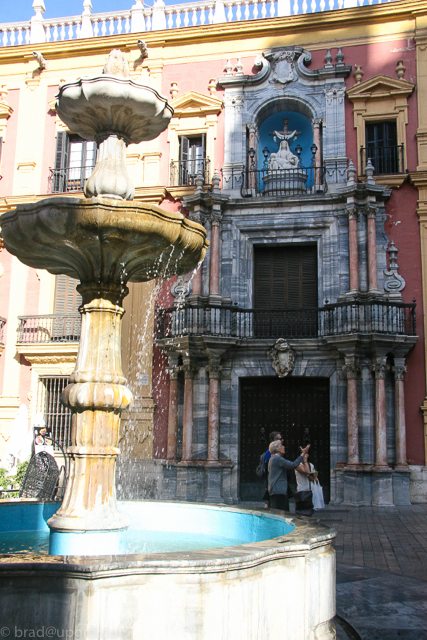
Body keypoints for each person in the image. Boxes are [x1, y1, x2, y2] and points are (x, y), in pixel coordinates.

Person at [268, 440, 310, 511]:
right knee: (281, 513)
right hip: (278, 491)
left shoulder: (274, 458)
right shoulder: (277, 459)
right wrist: (302, 454)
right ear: (276, 449)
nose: (284, 447)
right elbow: (293, 465)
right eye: (281, 446)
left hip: (277, 490)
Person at [261, 431, 283, 508]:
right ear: (275, 440)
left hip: (271, 480)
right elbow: (267, 467)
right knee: (269, 502)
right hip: (270, 481)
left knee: (269, 501)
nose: (281, 441)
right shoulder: (270, 453)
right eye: (279, 439)